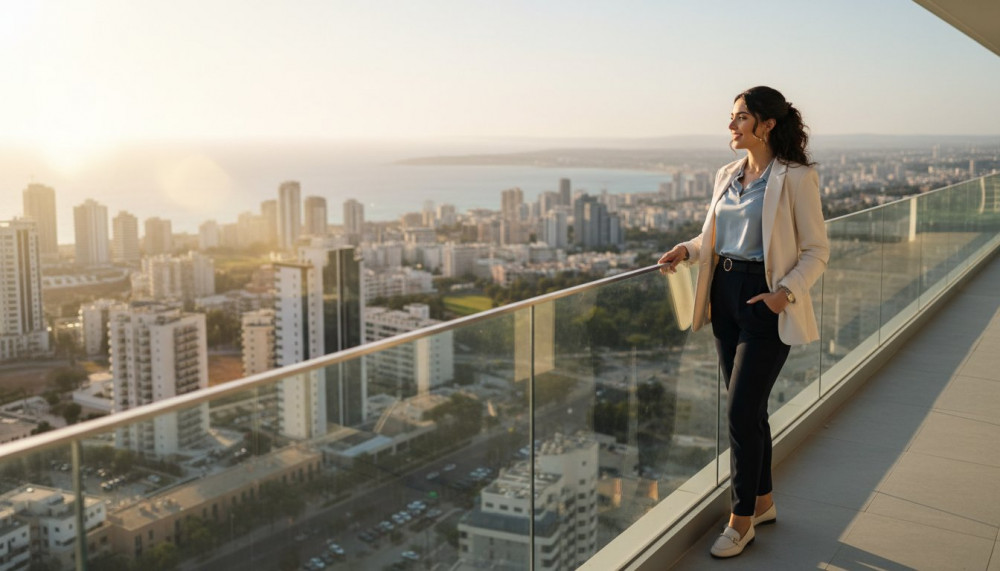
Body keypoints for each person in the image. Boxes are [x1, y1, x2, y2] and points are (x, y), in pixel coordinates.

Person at [658, 86, 829, 558]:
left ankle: (741, 520)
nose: (731, 126)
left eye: (741, 118)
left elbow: (817, 251)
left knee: (738, 412)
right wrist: (687, 251)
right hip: (724, 297)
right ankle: (765, 500)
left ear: (767, 124)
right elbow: (712, 236)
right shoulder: (726, 175)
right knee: (750, 411)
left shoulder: (796, 177)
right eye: (732, 118)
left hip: (764, 299)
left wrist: (782, 295)